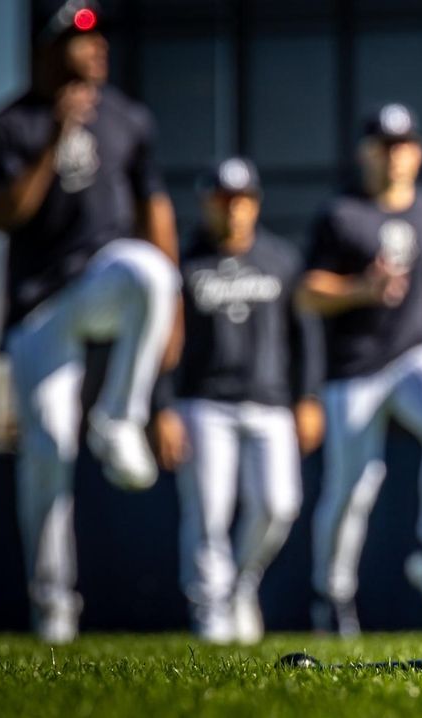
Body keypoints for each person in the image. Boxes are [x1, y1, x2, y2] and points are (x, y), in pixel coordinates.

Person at [0, 0, 181, 643]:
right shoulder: (8, 125)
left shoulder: (127, 118)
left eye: (99, 39)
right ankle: (54, 609)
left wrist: (170, 312)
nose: (95, 49)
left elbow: (157, 213)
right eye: (80, 39)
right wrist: (54, 137)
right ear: (49, 47)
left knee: (150, 270)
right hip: (41, 307)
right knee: (47, 448)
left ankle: (120, 414)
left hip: (102, 281)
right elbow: (4, 215)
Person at [298, 103, 422, 636]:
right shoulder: (341, 215)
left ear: (417, 152)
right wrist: (361, 289)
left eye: (403, 145)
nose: (394, 156)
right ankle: (331, 600)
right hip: (354, 368)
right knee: (352, 488)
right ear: (365, 152)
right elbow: (307, 294)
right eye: (383, 145)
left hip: (413, 354)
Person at [149, 158, 324, 644]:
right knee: (208, 510)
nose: (233, 210)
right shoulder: (184, 262)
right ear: (207, 203)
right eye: (223, 200)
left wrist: (308, 397)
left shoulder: (282, 259)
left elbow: (304, 335)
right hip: (203, 402)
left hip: (269, 403)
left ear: (255, 203)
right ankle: (209, 607)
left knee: (279, 505)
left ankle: (240, 585)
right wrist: (162, 407)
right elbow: (162, 342)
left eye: (242, 200)